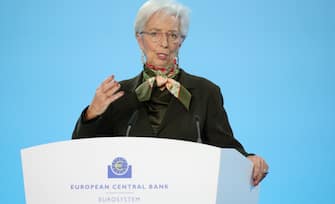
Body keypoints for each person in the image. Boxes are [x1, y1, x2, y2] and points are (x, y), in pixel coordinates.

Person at [72, 0, 269, 186]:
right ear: (140, 39)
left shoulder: (206, 92)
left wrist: (248, 160)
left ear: (181, 42)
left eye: (173, 35)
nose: (164, 43)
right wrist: (92, 113)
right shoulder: (117, 94)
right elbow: (82, 155)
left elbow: (226, 147)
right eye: (155, 33)